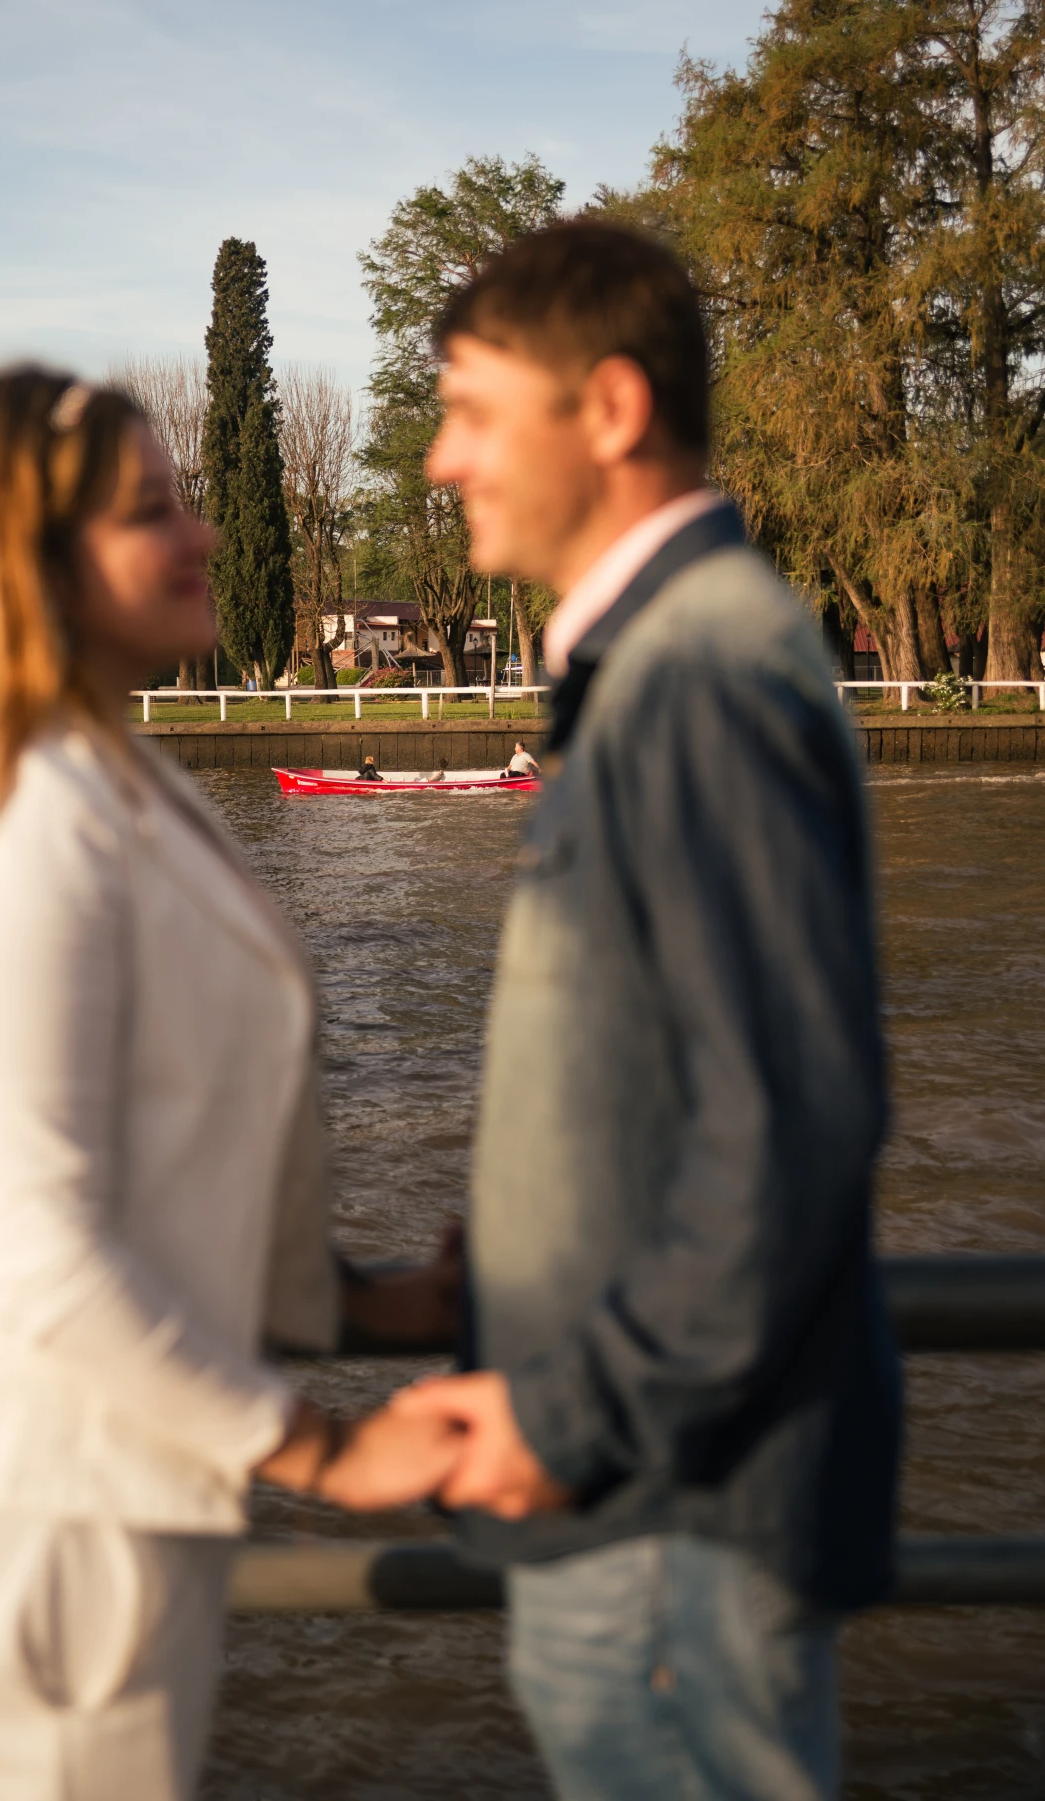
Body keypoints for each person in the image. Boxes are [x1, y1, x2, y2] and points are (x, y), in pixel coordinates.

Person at [0, 369, 461, 1801]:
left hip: (85, 1471)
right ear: (34, 566)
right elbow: (32, 1246)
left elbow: (164, 1154)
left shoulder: (106, 775)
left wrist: (362, 1304)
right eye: (150, 511)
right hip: (35, 1495)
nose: (205, 534)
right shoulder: (20, 822)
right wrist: (328, 1452)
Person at [395, 220, 901, 1800]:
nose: (440, 459)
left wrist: (569, 1415)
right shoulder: (672, 665)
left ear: (608, 410)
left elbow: (789, 1127)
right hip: (656, 1501)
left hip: (666, 1517)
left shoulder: (691, 683)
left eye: (472, 412)